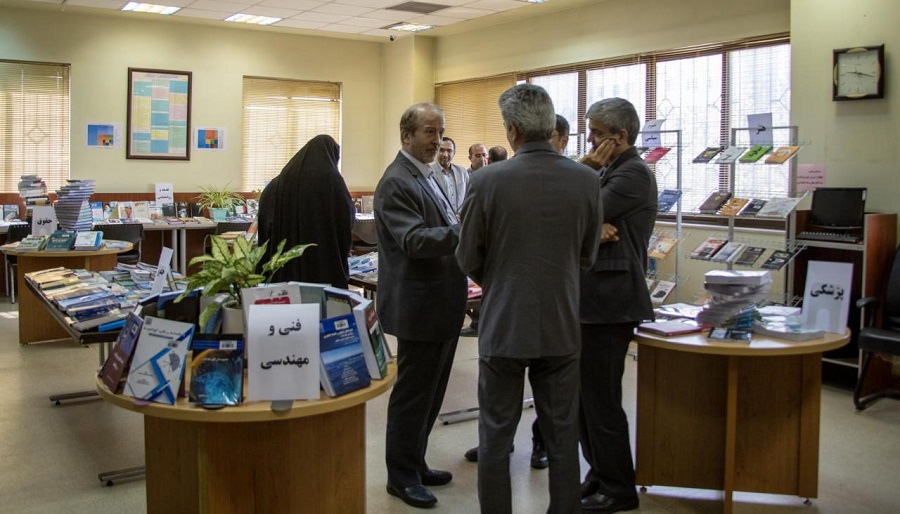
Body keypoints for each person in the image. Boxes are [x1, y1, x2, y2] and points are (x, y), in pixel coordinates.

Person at [456, 84, 602, 514]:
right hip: (561, 322)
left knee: (495, 438)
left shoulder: (486, 180)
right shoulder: (586, 180)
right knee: (562, 438)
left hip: (504, 322)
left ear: (513, 130)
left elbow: (467, 256)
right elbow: (587, 256)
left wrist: (500, 279)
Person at [462, 114, 574, 469]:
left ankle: (540, 444)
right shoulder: (495, 180)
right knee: (501, 400)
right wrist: (497, 281)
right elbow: (472, 250)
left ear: (564, 140)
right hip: (511, 307)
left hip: (551, 311)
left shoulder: (580, 181)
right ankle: (500, 441)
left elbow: (584, 253)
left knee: (551, 402)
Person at [376, 103, 468, 510]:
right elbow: (413, 241)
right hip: (420, 306)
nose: (437, 141)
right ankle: (400, 476)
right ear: (406, 135)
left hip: (442, 301)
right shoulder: (397, 181)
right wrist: (466, 231)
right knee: (413, 396)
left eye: (441, 132)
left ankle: (416, 462)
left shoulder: (427, 175)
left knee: (432, 393)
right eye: (429, 132)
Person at [577, 98, 658, 513]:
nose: (590, 142)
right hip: (590, 299)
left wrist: (589, 214)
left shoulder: (633, 173)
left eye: (596, 134)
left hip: (610, 303)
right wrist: (591, 225)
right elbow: (580, 214)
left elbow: (577, 209)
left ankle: (619, 488)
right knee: (583, 399)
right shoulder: (608, 170)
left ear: (620, 136)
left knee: (602, 400)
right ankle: (598, 472)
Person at [257, 134, 354, 288]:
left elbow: (264, 230)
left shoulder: (277, 185)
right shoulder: (334, 183)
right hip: (326, 272)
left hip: (283, 275)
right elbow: (346, 223)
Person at [436, 136, 469, 212]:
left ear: (454, 153)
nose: (445, 154)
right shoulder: (429, 173)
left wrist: (460, 214)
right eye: (441, 150)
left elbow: (469, 196)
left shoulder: (462, 172)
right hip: (440, 217)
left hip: (461, 217)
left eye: (449, 151)